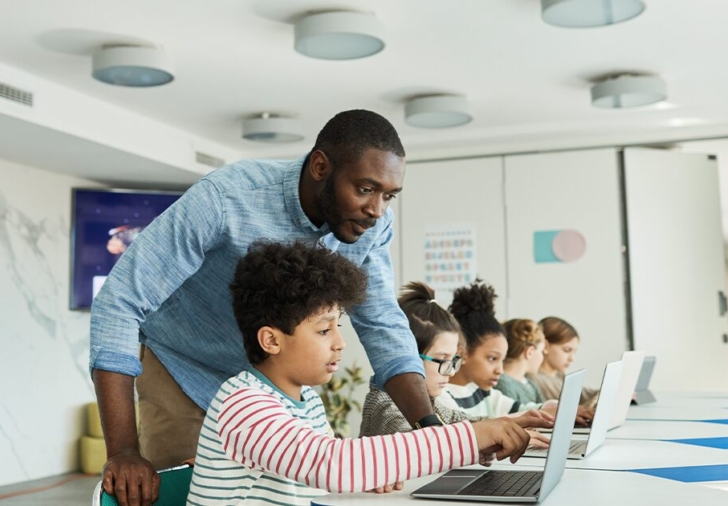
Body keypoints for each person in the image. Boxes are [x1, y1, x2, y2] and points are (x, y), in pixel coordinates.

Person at [90, 110, 440, 505]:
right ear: (321, 166)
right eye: (365, 189)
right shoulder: (228, 197)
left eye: (388, 196)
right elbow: (119, 302)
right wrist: (122, 452)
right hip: (184, 369)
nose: (377, 210)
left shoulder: (369, 226)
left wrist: (427, 425)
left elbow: (382, 324)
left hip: (278, 384)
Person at [187, 240, 541, 505]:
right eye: (324, 330)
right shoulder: (244, 403)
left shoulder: (304, 397)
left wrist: (366, 475)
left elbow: (323, 468)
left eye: (338, 326)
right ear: (271, 340)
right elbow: (329, 463)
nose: (340, 343)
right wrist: (470, 437)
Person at [359, 282, 553, 439]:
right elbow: (425, 445)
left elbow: (466, 421)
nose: (451, 372)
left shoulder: (430, 403)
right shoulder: (387, 407)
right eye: (442, 359)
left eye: (453, 360)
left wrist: (514, 425)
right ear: (407, 358)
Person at [442, 281, 557, 418]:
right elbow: (478, 429)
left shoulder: (482, 392)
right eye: (492, 359)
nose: (500, 370)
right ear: (463, 354)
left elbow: (523, 409)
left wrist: (553, 408)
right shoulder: (442, 396)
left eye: (502, 360)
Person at [529, 316, 599, 406]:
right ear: (545, 346)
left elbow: (585, 393)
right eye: (566, 350)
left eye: (574, 352)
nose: (572, 358)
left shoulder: (558, 374)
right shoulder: (536, 379)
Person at [495, 319, 546, 405]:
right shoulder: (503, 385)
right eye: (541, 351)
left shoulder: (530, 384)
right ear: (529, 352)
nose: (542, 357)